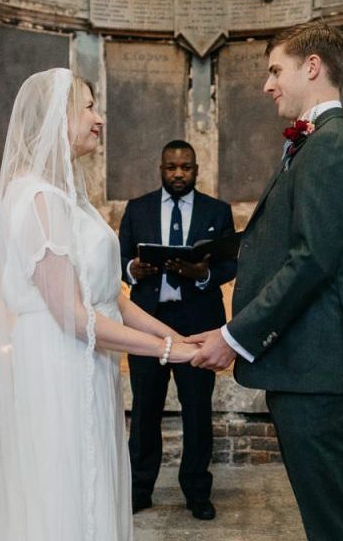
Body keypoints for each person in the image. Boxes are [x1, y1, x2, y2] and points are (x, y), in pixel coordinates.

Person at [189, 20, 343, 541]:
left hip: (317, 367)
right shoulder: (314, 142)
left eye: (276, 70)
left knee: (334, 525)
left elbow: (312, 260)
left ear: (312, 67)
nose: (267, 85)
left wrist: (234, 337)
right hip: (303, 366)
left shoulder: (334, 145)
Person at [0, 69, 196, 541]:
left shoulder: (68, 196)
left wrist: (176, 337)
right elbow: (73, 314)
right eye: (87, 107)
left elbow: (110, 298)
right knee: (67, 490)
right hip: (59, 364)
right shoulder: (37, 197)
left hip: (88, 364)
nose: (99, 119)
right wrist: (169, 354)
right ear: (56, 118)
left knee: (94, 483)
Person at [119, 140, 237, 520]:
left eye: (185, 167)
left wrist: (203, 275)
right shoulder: (137, 209)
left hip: (198, 322)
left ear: (196, 170)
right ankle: (139, 490)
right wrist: (132, 271)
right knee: (145, 409)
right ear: (161, 169)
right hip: (147, 323)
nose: (178, 174)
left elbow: (229, 265)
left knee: (198, 411)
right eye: (171, 167)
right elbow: (119, 259)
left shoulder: (216, 211)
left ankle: (197, 493)